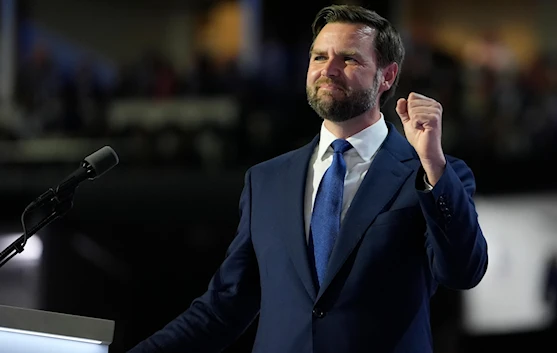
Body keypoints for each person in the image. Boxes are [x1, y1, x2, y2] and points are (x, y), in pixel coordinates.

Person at [128, 4, 488, 353]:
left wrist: (432, 163)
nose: (328, 70)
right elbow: (223, 308)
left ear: (387, 76)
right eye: (319, 57)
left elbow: (463, 272)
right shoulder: (266, 181)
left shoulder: (435, 173)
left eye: (348, 59)